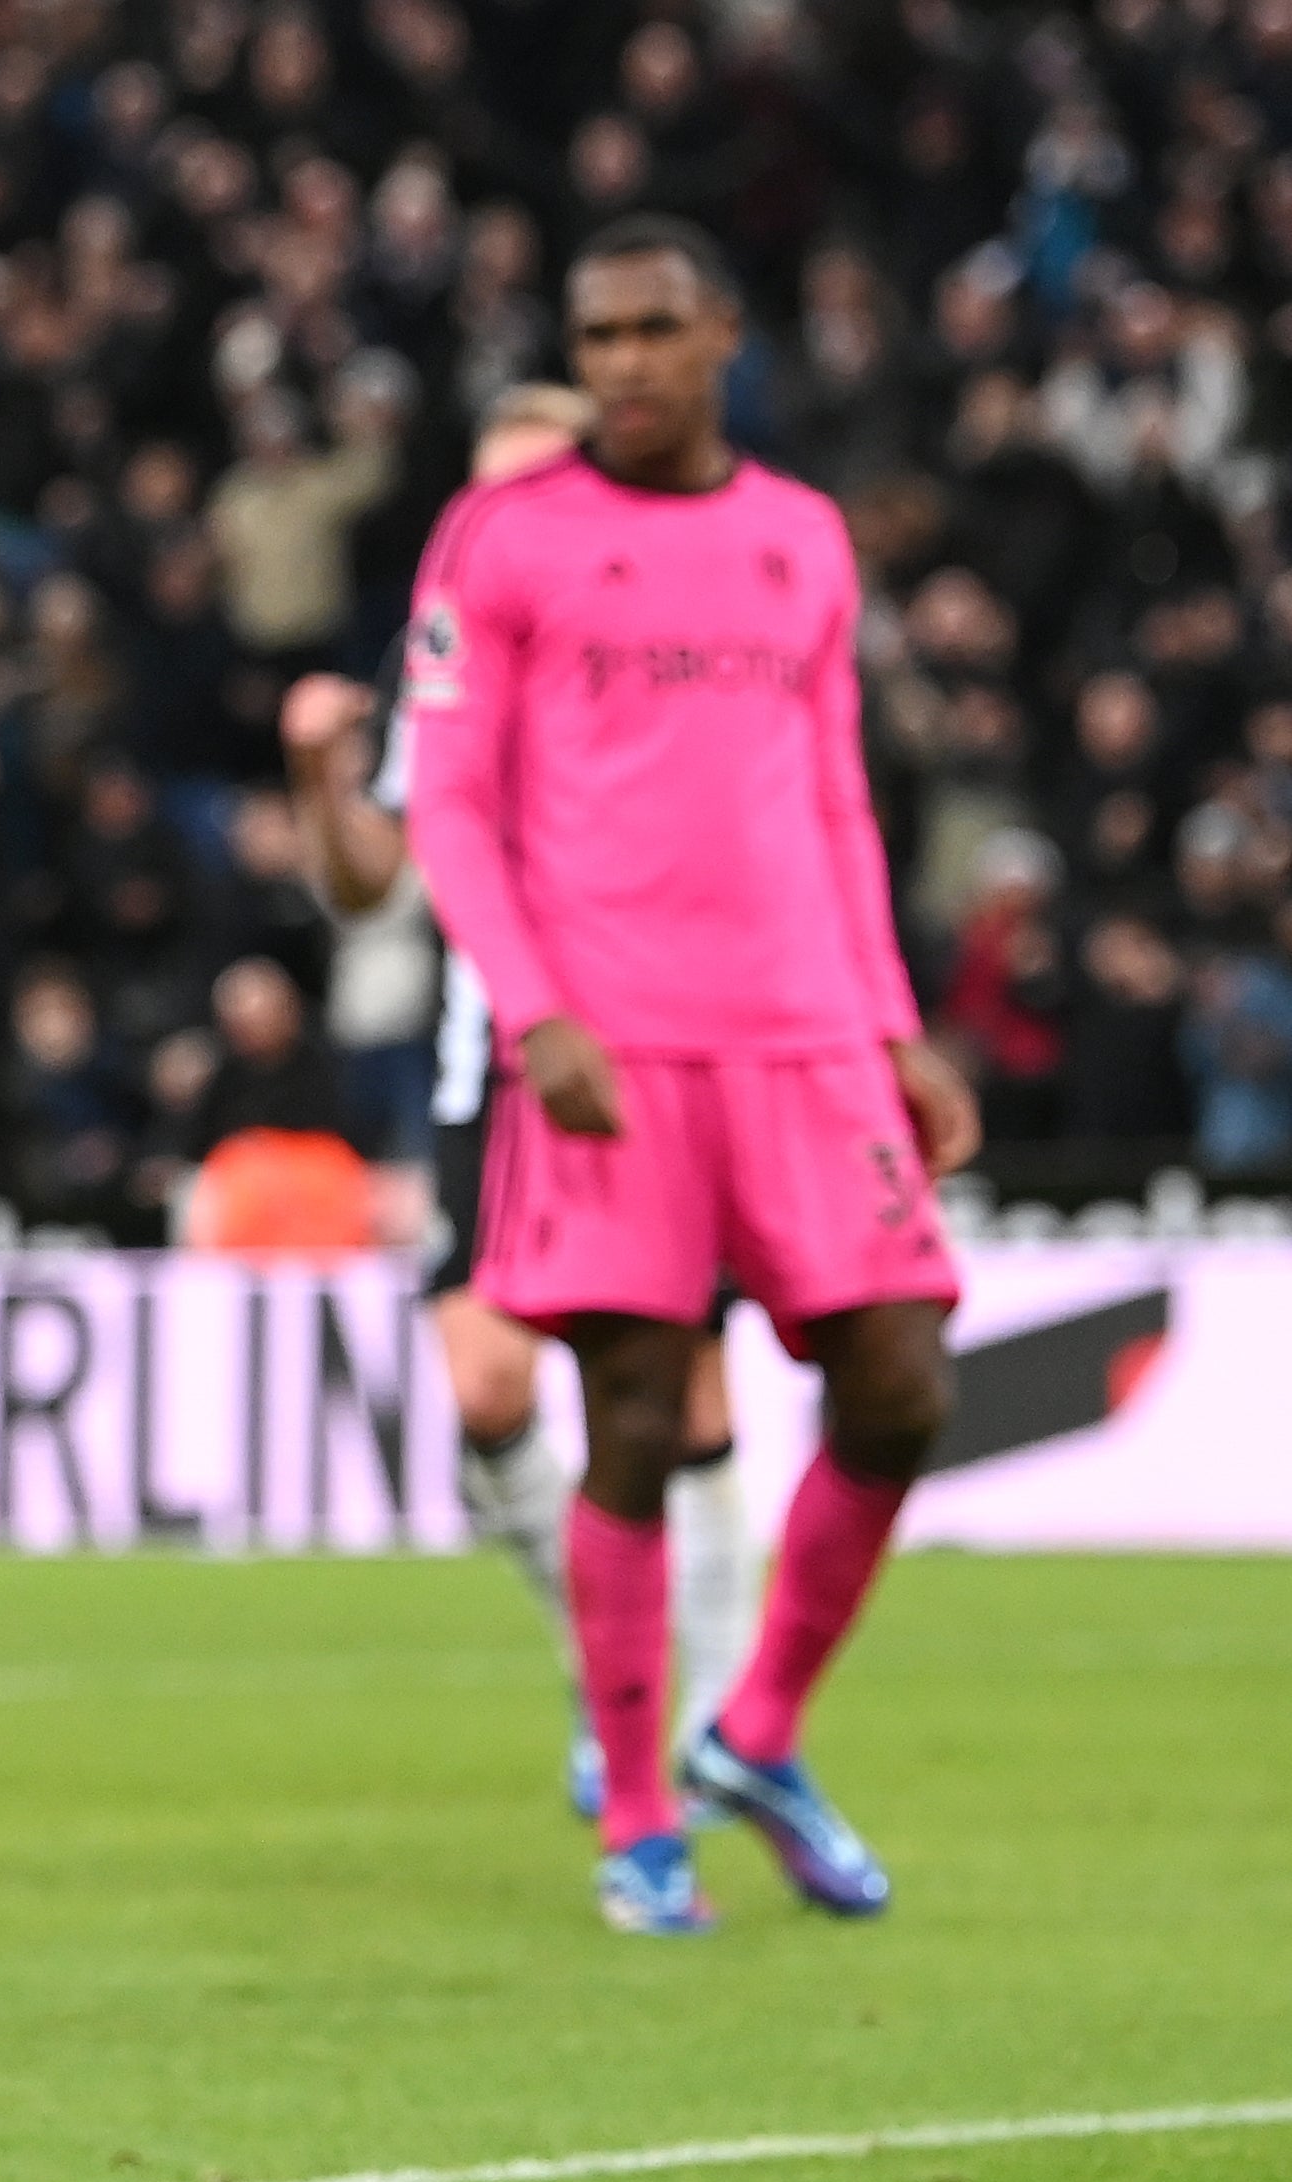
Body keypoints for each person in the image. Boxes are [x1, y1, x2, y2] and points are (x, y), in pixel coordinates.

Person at [402, 219, 974, 1937]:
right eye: (601, 334)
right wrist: (533, 1012)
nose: (631, 360)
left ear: (725, 329)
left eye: (659, 327)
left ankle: (759, 1730)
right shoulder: (503, 535)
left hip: (806, 1036)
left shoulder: (802, 538)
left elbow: (837, 800)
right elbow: (448, 803)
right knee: (636, 1419)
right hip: (614, 1038)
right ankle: (640, 1816)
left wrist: (891, 1020)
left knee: (902, 1386)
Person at [280, 381, 761, 1822]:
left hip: (667, 1038)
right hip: (490, 1053)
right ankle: (599, 1665)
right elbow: (372, 881)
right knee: (485, 1382)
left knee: (684, 1392)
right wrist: (314, 773)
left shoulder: (671, 639)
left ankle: (716, 1727)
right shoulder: (451, 643)